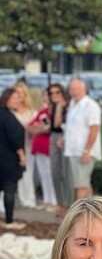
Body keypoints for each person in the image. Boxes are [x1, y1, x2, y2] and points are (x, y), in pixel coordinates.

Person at [64, 78, 102, 200]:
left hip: (84, 151)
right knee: (84, 183)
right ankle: (91, 212)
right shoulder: (72, 105)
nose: (75, 92)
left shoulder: (91, 106)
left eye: (78, 89)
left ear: (85, 89)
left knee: (80, 185)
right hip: (73, 150)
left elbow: (94, 129)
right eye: (73, 89)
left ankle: (79, 214)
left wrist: (87, 150)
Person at [0, 88, 26, 230]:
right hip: (8, 160)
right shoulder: (8, 117)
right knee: (9, 189)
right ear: (7, 99)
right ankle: (9, 221)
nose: (18, 101)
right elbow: (14, 139)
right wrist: (22, 155)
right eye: (15, 98)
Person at [28, 88, 58, 210]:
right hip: (39, 147)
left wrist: (41, 128)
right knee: (43, 174)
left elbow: (51, 128)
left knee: (51, 174)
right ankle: (47, 199)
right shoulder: (43, 112)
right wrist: (40, 128)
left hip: (49, 147)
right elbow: (31, 127)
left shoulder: (55, 112)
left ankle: (55, 201)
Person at [47, 82, 72, 218]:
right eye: (51, 93)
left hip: (65, 137)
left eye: (57, 92)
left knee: (65, 173)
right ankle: (60, 203)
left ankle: (67, 205)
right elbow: (53, 126)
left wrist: (60, 107)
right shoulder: (54, 106)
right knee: (55, 172)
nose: (54, 95)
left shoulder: (69, 106)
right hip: (54, 137)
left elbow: (59, 124)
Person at [12, 81, 37, 208]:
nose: (19, 96)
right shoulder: (10, 113)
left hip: (28, 146)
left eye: (22, 93)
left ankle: (28, 199)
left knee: (27, 174)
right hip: (12, 148)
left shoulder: (31, 112)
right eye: (17, 93)